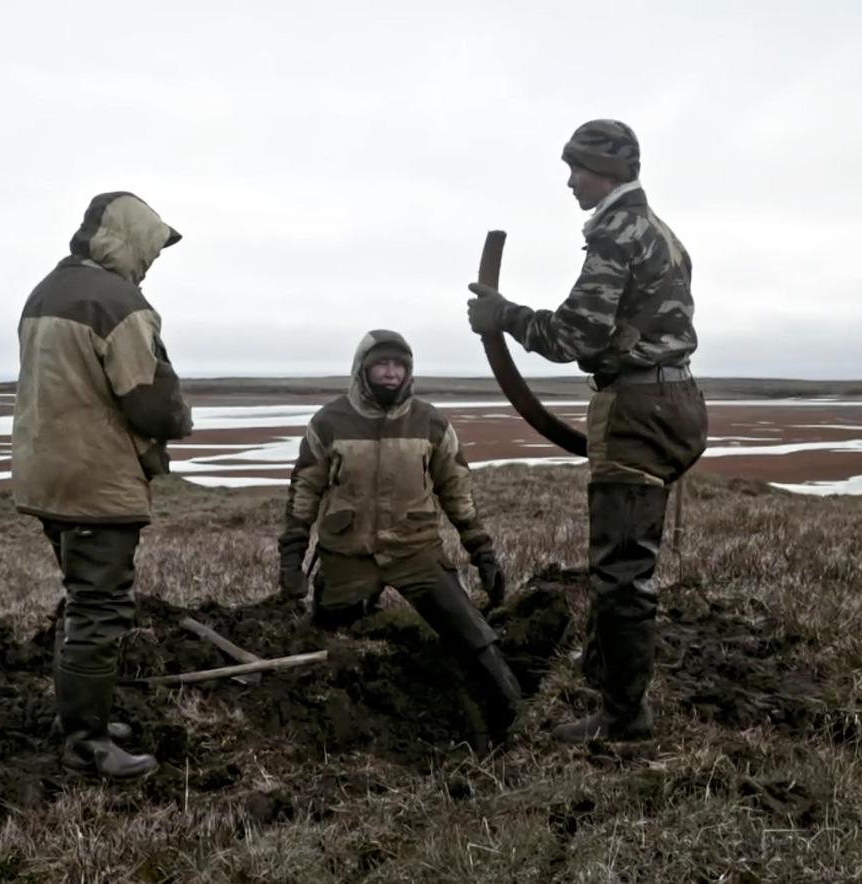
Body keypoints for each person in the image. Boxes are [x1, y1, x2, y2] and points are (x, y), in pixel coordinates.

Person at [466, 120, 708, 742]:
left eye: (577, 168)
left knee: (621, 569)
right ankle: (607, 672)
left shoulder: (615, 232)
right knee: (624, 554)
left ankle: (625, 720)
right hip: (673, 399)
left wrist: (504, 316)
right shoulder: (662, 235)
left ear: (607, 171)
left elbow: (576, 336)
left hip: (638, 408)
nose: (571, 181)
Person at [12, 191, 191, 778]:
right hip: (96, 478)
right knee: (98, 608)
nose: (153, 261)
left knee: (81, 598)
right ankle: (87, 743)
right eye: (154, 249)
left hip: (50, 474)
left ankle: (82, 716)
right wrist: (178, 421)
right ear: (131, 239)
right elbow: (148, 399)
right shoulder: (118, 302)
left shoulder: (46, 291)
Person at [277, 329, 523, 740]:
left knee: (473, 634)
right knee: (326, 641)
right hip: (347, 555)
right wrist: (291, 557)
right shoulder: (329, 421)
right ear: (362, 369)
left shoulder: (431, 422)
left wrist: (482, 552)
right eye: (382, 364)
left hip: (416, 552)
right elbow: (304, 490)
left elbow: (457, 493)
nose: (391, 373)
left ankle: (516, 714)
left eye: (399, 365)